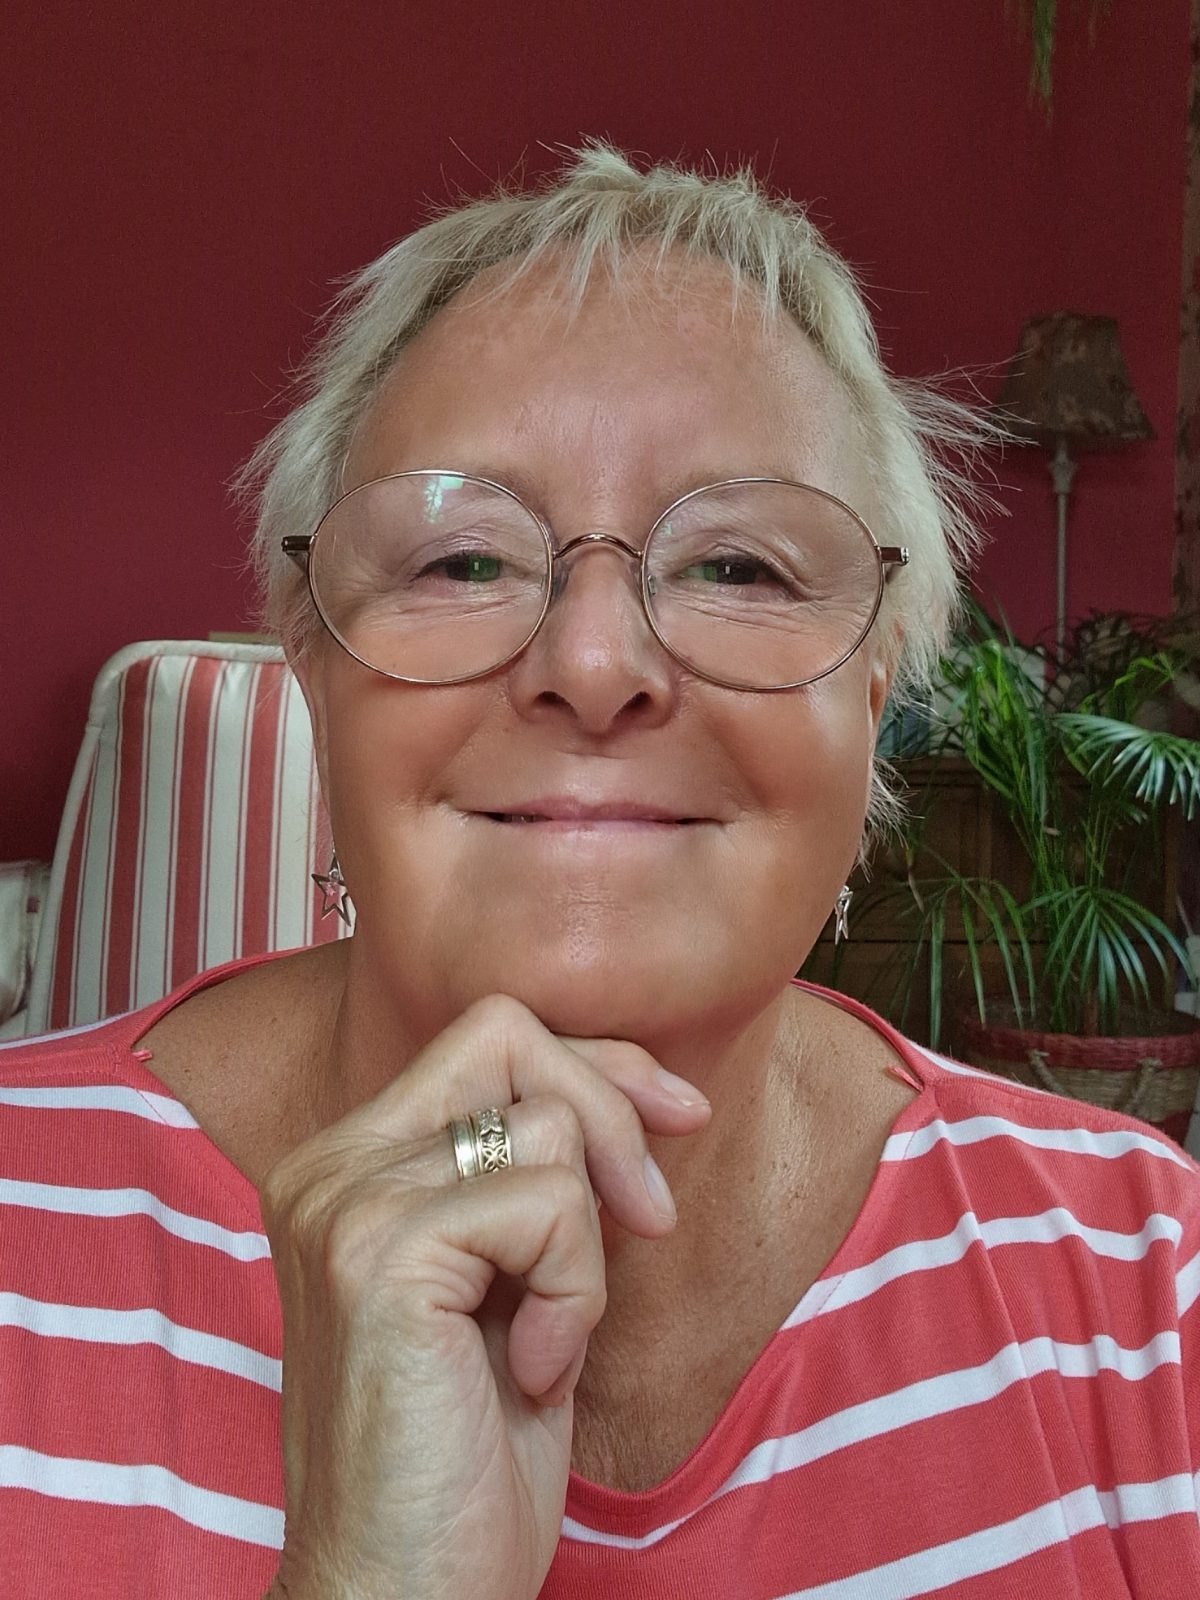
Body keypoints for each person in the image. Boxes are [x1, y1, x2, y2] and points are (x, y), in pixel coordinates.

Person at [2, 143, 1199, 1600]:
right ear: (313, 661)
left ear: (879, 681)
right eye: (463, 561)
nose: (590, 660)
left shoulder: (1148, 1282)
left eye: (738, 567)